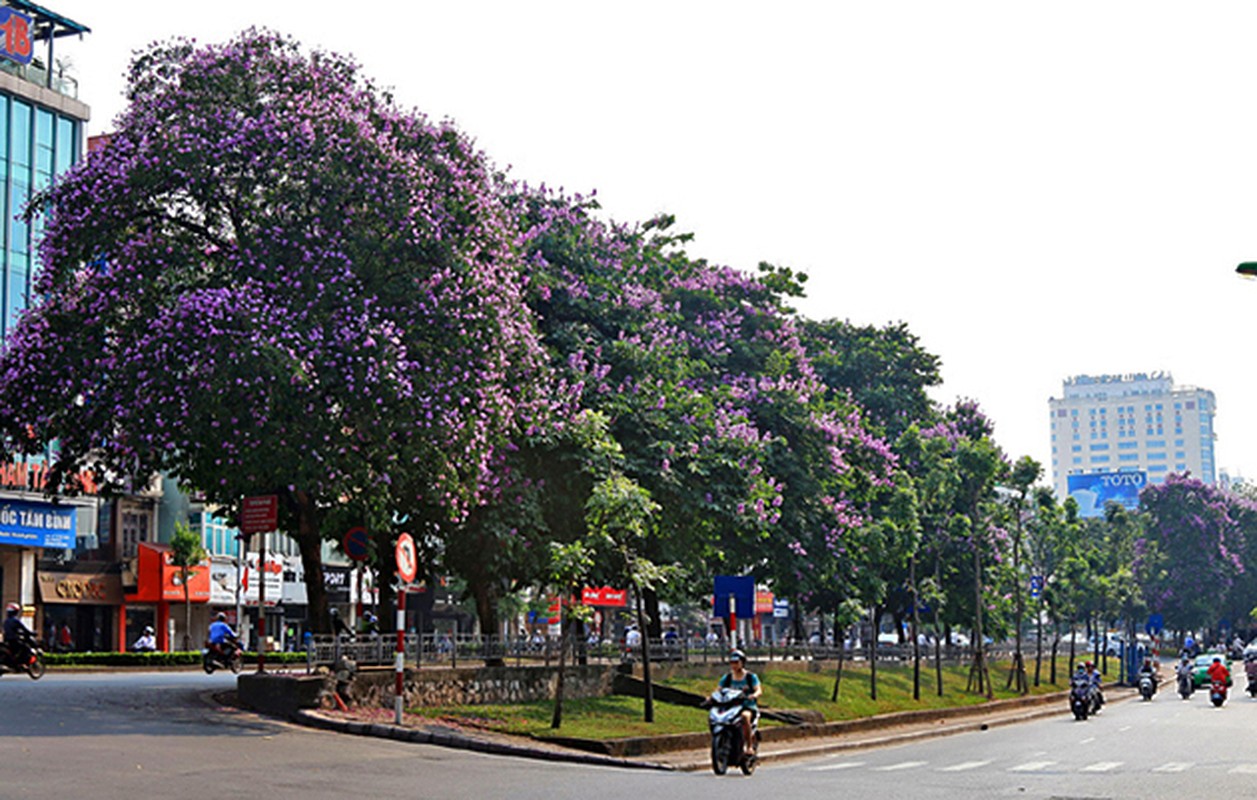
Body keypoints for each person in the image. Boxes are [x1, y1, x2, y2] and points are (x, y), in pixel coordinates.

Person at [718, 649, 762, 758]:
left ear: (742, 663)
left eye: (736, 662)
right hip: (731, 707)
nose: (734, 665)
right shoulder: (727, 677)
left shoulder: (751, 677)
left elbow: (759, 690)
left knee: (744, 716)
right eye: (732, 663)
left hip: (747, 707)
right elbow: (718, 690)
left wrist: (754, 695)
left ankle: (749, 746)